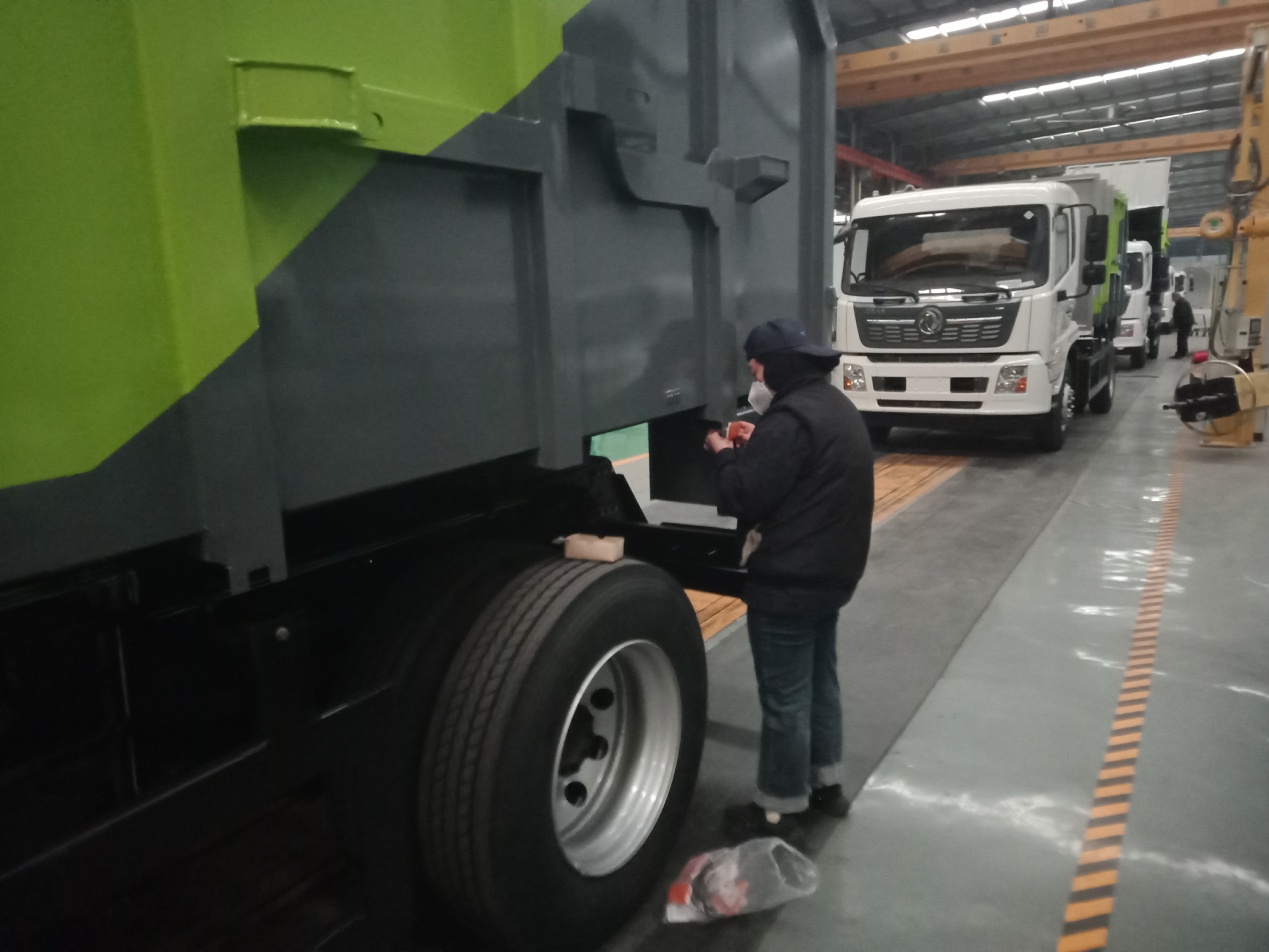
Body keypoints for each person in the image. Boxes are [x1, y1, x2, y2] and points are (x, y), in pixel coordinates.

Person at [704, 318, 874, 841]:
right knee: (821, 682)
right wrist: (760, 445)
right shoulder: (834, 407)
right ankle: (826, 785)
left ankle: (778, 810)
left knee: (785, 698)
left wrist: (723, 451)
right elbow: (802, 470)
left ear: (776, 367)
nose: (754, 379)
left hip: (790, 580)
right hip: (832, 574)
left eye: (756, 369)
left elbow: (742, 495)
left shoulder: (788, 420)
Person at [1171, 291, 1195, 359]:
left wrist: (1176, 324)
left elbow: (1181, 314)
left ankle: (1181, 353)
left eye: (1173, 298)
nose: (1172, 299)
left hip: (1184, 324)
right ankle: (1183, 352)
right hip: (1186, 323)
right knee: (1183, 338)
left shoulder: (1181, 303)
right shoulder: (1182, 302)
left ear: (1176, 297)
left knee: (1181, 339)